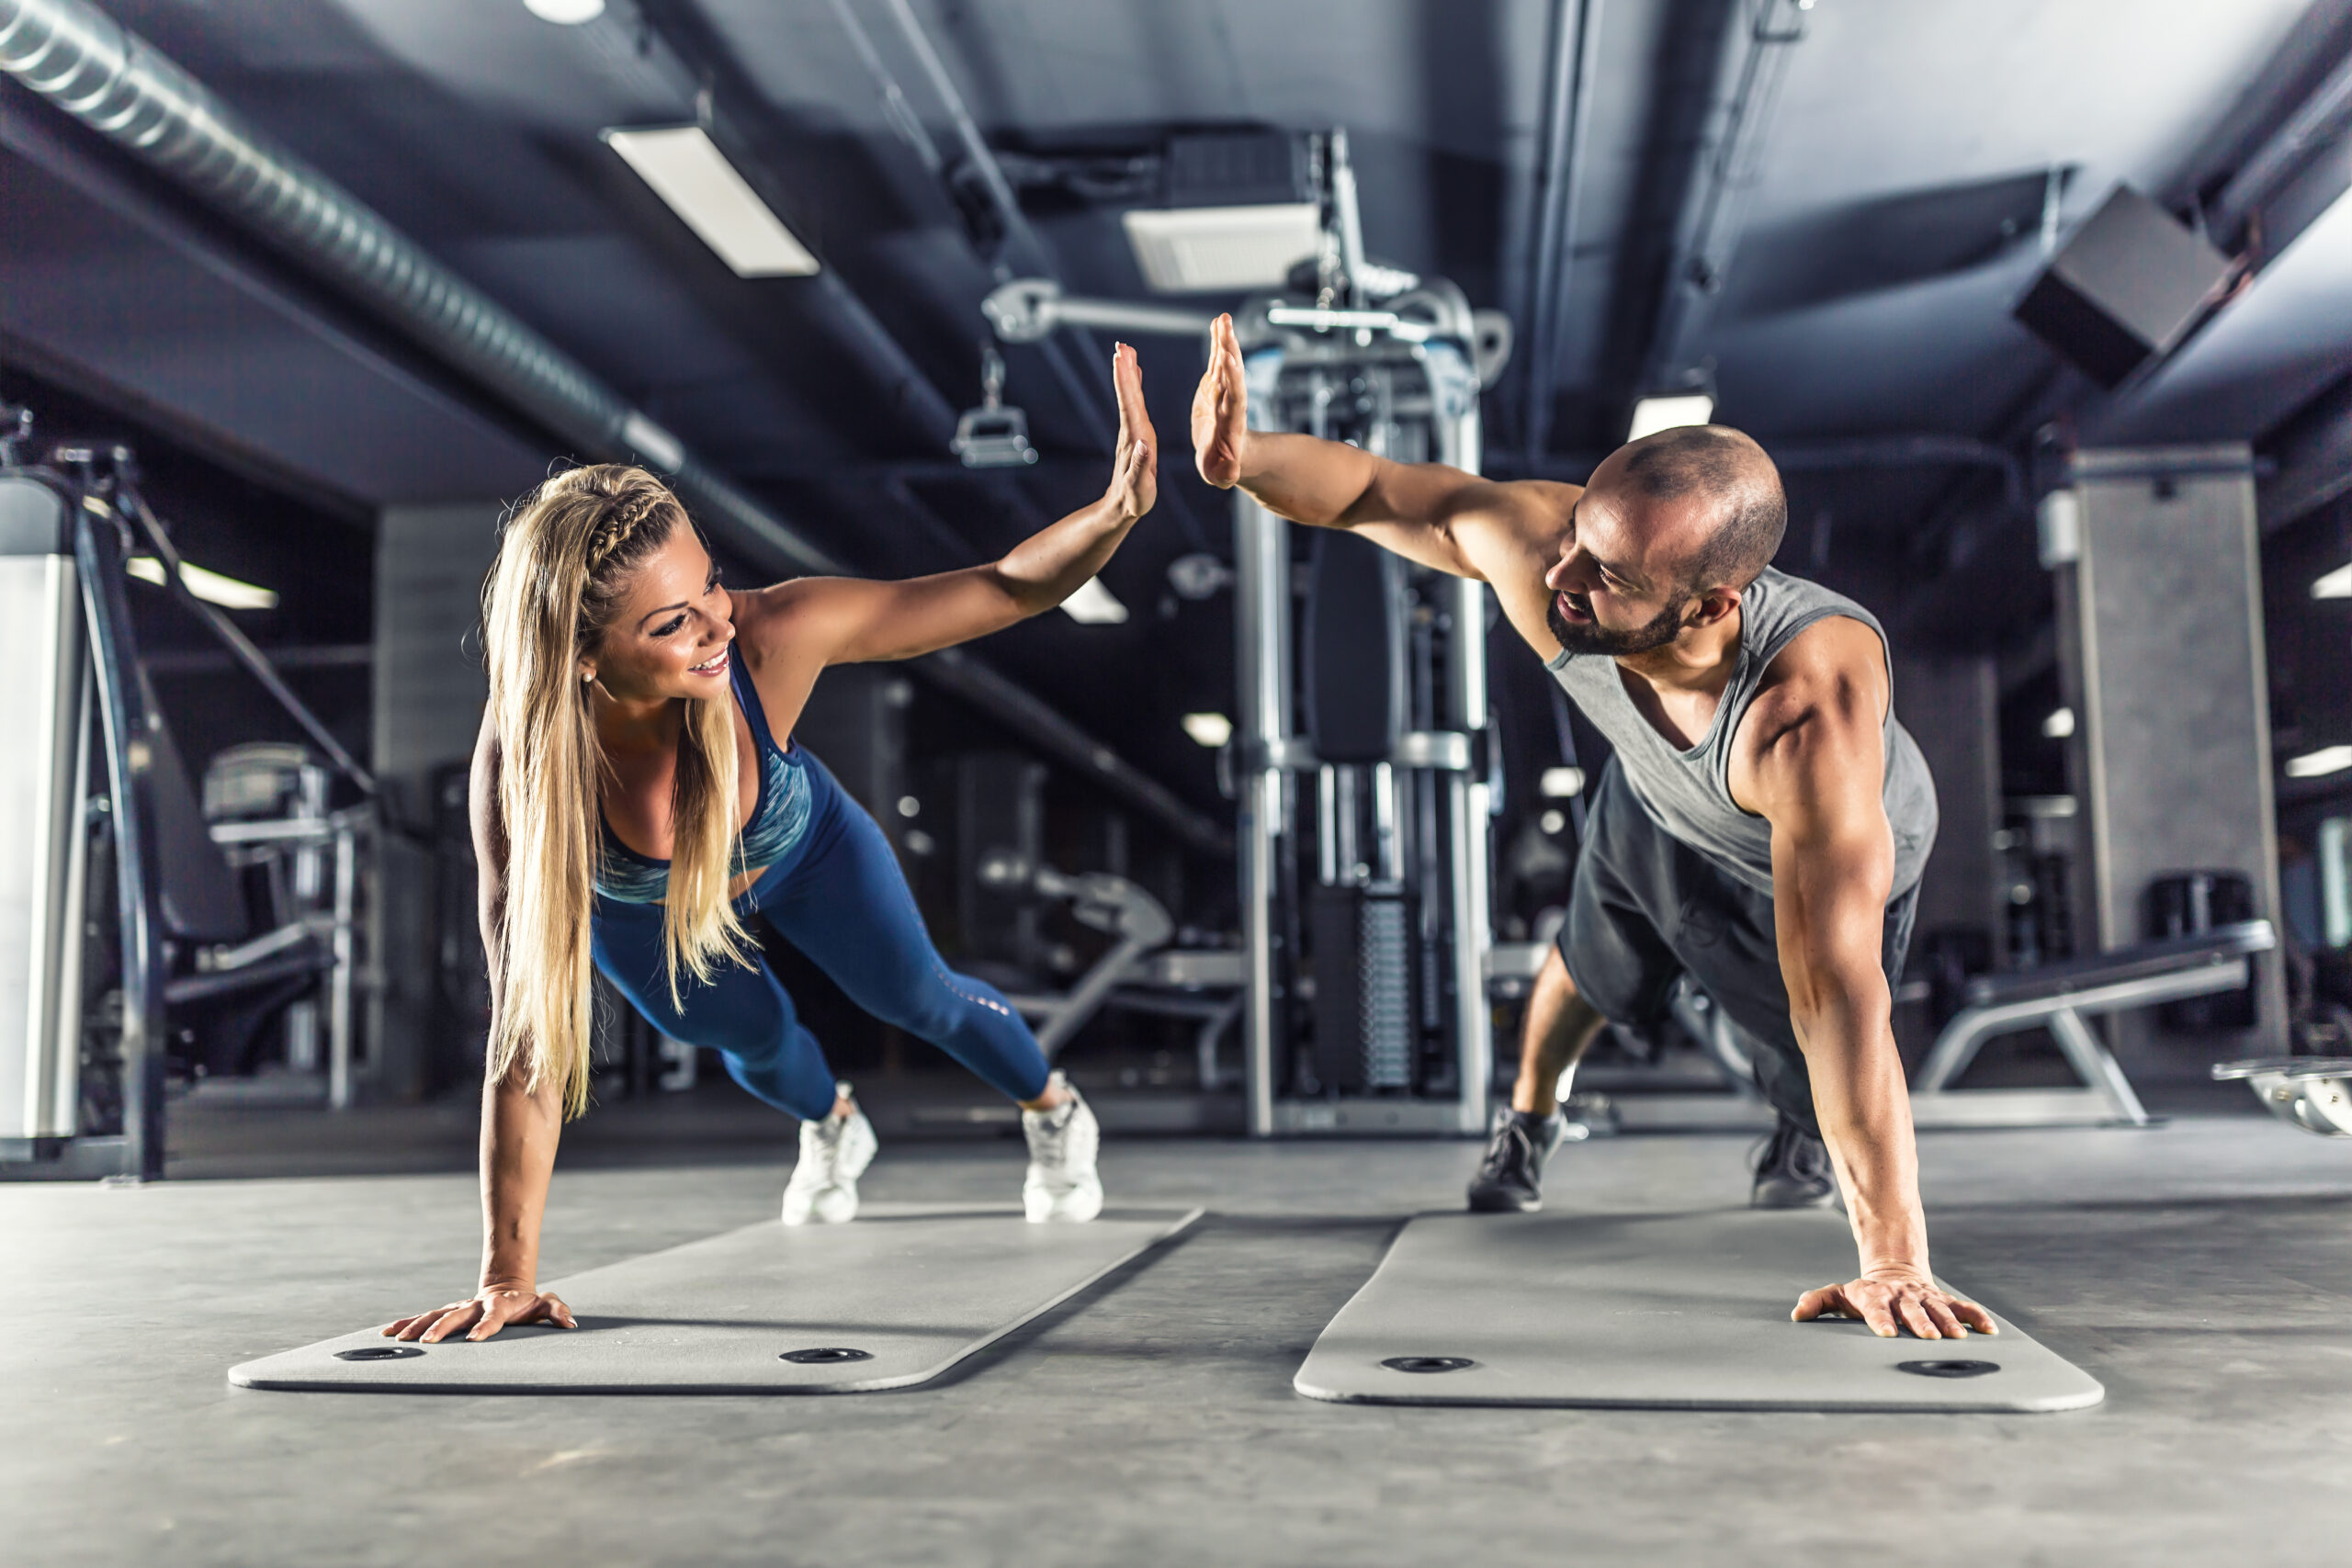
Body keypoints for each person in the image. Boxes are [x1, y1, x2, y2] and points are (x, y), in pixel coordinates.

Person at [1192, 316, 1992, 1341]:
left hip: (1782, 840)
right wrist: (1246, 460)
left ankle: (1795, 1132)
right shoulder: (1553, 556)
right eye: (1576, 543)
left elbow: (1834, 987)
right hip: (1654, 794)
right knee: (1579, 965)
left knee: (1809, 1048)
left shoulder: (1802, 717)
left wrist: (1892, 1259)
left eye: (1607, 579)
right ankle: (1526, 1125)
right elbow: (1376, 493)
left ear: (1710, 609)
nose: (1560, 582)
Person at [385, 347, 1159, 1347]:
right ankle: (833, 1124)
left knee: (914, 995)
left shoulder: (767, 639)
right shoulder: (527, 774)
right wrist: (505, 1276)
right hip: (646, 906)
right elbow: (526, 1036)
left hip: (805, 849)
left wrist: (1115, 514)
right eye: (672, 624)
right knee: (750, 1040)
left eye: (711, 584)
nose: (715, 624)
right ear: (583, 659)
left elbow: (1005, 587)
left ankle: (1053, 1110)